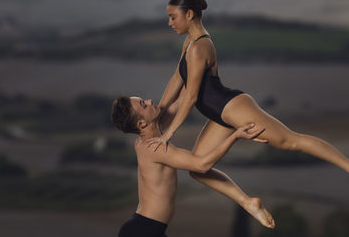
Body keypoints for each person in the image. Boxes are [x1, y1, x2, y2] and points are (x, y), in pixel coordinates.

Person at [147, 0, 349, 195]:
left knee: (291, 141)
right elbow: (178, 78)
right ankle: (249, 203)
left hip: (233, 107)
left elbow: (190, 97)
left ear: (189, 14)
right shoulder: (188, 42)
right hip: (219, 116)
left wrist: (169, 134)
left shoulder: (199, 46)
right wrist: (159, 114)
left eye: (172, 17)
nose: (169, 23)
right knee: (198, 169)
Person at [111, 95, 275, 237]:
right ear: (141, 124)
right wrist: (235, 136)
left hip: (148, 228)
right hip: (142, 231)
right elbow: (202, 165)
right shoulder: (154, 148)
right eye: (144, 104)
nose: (149, 100)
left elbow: (186, 96)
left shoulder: (147, 136)